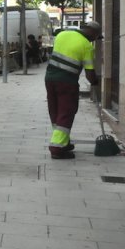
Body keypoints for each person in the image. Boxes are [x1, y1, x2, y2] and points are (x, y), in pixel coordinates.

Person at [45, 21, 101, 159]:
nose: (95, 40)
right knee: (66, 112)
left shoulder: (62, 34)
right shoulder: (87, 46)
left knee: (55, 110)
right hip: (67, 83)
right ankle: (57, 148)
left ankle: (63, 141)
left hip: (50, 78)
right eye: (96, 36)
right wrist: (95, 81)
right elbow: (89, 73)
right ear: (93, 33)